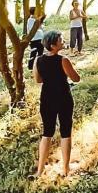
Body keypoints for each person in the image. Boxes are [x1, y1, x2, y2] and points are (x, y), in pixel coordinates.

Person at [32, 31, 80, 178]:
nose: (63, 41)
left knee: (47, 133)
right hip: (63, 98)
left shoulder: (38, 60)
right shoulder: (63, 60)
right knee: (65, 132)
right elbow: (76, 78)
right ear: (53, 45)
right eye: (61, 40)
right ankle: (65, 169)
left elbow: (38, 80)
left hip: (47, 98)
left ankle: (39, 171)